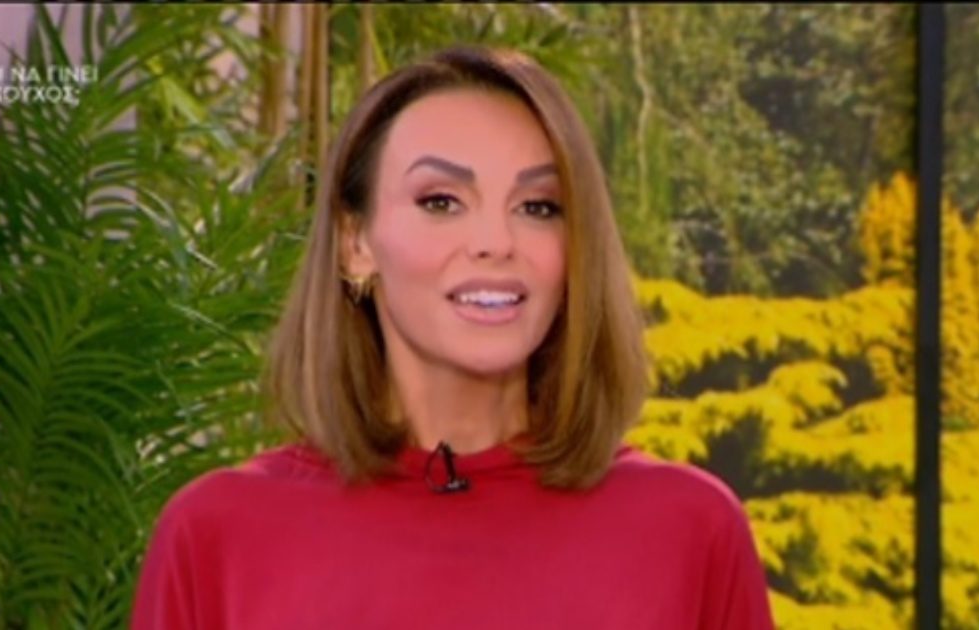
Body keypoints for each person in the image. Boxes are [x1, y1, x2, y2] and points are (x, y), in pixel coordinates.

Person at [131, 45, 775, 630]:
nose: (495, 242)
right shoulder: (217, 536)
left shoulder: (690, 530)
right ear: (355, 243)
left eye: (538, 207)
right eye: (441, 201)